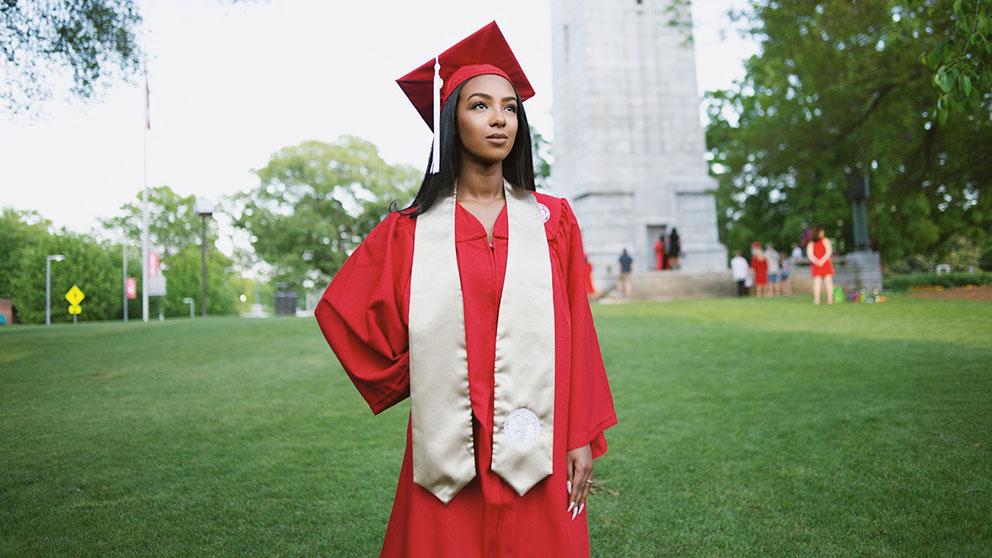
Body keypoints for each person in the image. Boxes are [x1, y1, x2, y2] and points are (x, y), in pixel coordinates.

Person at [313, 22, 617, 557]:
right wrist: (421, 369)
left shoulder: (553, 221)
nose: (499, 118)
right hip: (450, 435)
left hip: (537, 434)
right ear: (450, 119)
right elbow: (343, 314)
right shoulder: (412, 229)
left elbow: (577, 329)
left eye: (510, 107)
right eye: (480, 105)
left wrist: (579, 437)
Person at [806, 225, 835, 304]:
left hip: (820, 263)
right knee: (823, 281)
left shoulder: (812, 243)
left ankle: (822, 299)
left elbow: (810, 255)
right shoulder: (824, 241)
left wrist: (818, 261)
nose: (823, 233)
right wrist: (820, 261)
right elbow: (828, 251)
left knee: (823, 281)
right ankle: (824, 299)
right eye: (822, 232)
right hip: (823, 263)